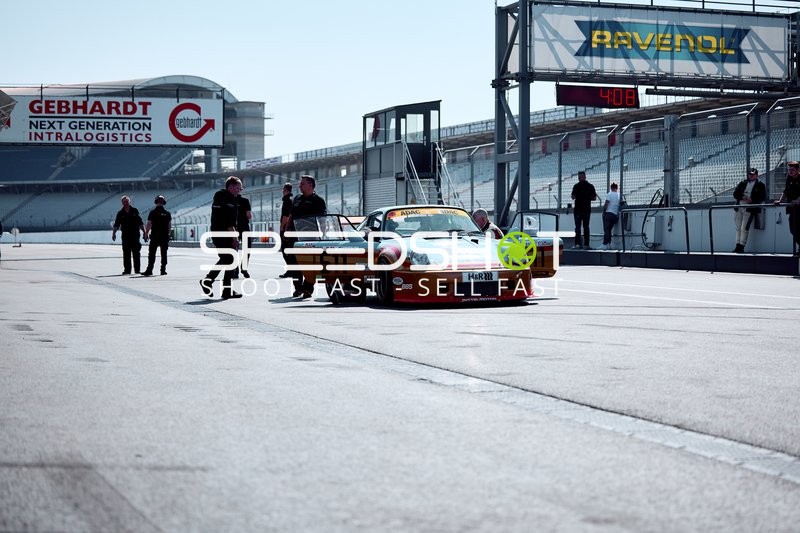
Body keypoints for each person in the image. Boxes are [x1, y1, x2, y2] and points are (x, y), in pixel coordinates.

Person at [200, 176, 243, 299]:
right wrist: (234, 237)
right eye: (238, 187)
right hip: (224, 234)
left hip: (218, 233)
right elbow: (228, 221)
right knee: (229, 260)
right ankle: (211, 282)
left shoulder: (221, 197)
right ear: (231, 187)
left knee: (227, 260)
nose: (240, 190)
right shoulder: (227, 199)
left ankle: (221, 288)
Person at [287, 175, 326, 298]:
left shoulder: (318, 201)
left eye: (302, 183)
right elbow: (291, 215)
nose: (300, 185)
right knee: (293, 262)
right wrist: (286, 230)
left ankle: (308, 288)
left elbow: (323, 220)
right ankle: (298, 288)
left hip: (310, 237)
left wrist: (322, 236)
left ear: (310, 185)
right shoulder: (297, 198)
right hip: (295, 236)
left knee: (310, 263)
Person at [732, 168, 767, 253]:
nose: (751, 175)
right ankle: (737, 245)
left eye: (753, 174)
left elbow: (762, 197)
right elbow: (735, 193)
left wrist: (752, 200)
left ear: (756, 175)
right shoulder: (743, 182)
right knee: (738, 227)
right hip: (739, 206)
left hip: (749, 208)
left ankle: (741, 246)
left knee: (744, 228)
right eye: (750, 174)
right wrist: (743, 197)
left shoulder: (760, 184)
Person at [112, 196, 145, 274]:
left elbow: (140, 222)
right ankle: (127, 270)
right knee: (126, 253)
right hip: (125, 236)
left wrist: (144, 232)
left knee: (136, 253)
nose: (125, 203)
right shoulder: (120, 213)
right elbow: (116, 224)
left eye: (127, 201)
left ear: (129, 202)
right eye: (124, 202)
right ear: (122, 203)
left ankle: (137, 270)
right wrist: (114, 233)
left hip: (135, 235)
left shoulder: (134, 210)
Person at [774, 160, 800, 256]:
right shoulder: (789, 178)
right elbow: (786, 191)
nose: (790, 171)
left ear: (798, 170)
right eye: (789, 169)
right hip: (792, 208)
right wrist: (780, 201)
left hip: (798, 207)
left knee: (798, 228)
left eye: (792, 169)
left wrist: (797, 200)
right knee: (792, 229)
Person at [142, 195, 171, 276]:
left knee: (152, 253)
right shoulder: (167, 213)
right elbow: (169, 226)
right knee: (164, 253)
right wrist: (168, 234)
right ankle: (163, 270)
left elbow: (148, 224)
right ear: (163, 202)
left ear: (156, 202)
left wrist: (146, 233)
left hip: (155, 236)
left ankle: (149, 270)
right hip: (164, 236)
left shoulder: (152, 212)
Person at [571, 170, 597, 249]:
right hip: (587, 209)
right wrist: (587, 198)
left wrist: (579, 197)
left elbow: (573, 197)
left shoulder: (576, 186)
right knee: (586, 227)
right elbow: (594, 198)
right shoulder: (590, 186)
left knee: (577, 227)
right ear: (585, 177)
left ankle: (577, 244)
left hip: (578, 210)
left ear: (579, 177)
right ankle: (586, 244)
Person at [235, 187, 253, 278]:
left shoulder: (230, 201)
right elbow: (249, 215)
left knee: (234, 249)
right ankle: (244, 268)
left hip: (234, 228)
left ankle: (235, 270)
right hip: (244, 227)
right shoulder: (245, 201)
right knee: (247, 249)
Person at [278, 182, 294, 278]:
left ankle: (291, 270)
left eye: (283, 189)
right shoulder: (291, 199)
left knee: (285, 250)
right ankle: (291, 270)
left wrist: (282, 226)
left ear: (285, 189)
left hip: (286, 228)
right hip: (290, 228)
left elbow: (286, 216)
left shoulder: (287, 200)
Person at [601, 182, 621, 250]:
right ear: (617, 188)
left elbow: (606, 203)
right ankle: (609, 244)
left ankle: (604, 244)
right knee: (609, 230)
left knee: (606, 229)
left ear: (611, 188)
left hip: (609, 213)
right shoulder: (619, 195)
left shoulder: (609, 194)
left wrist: (603, 212)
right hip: (615, 215)